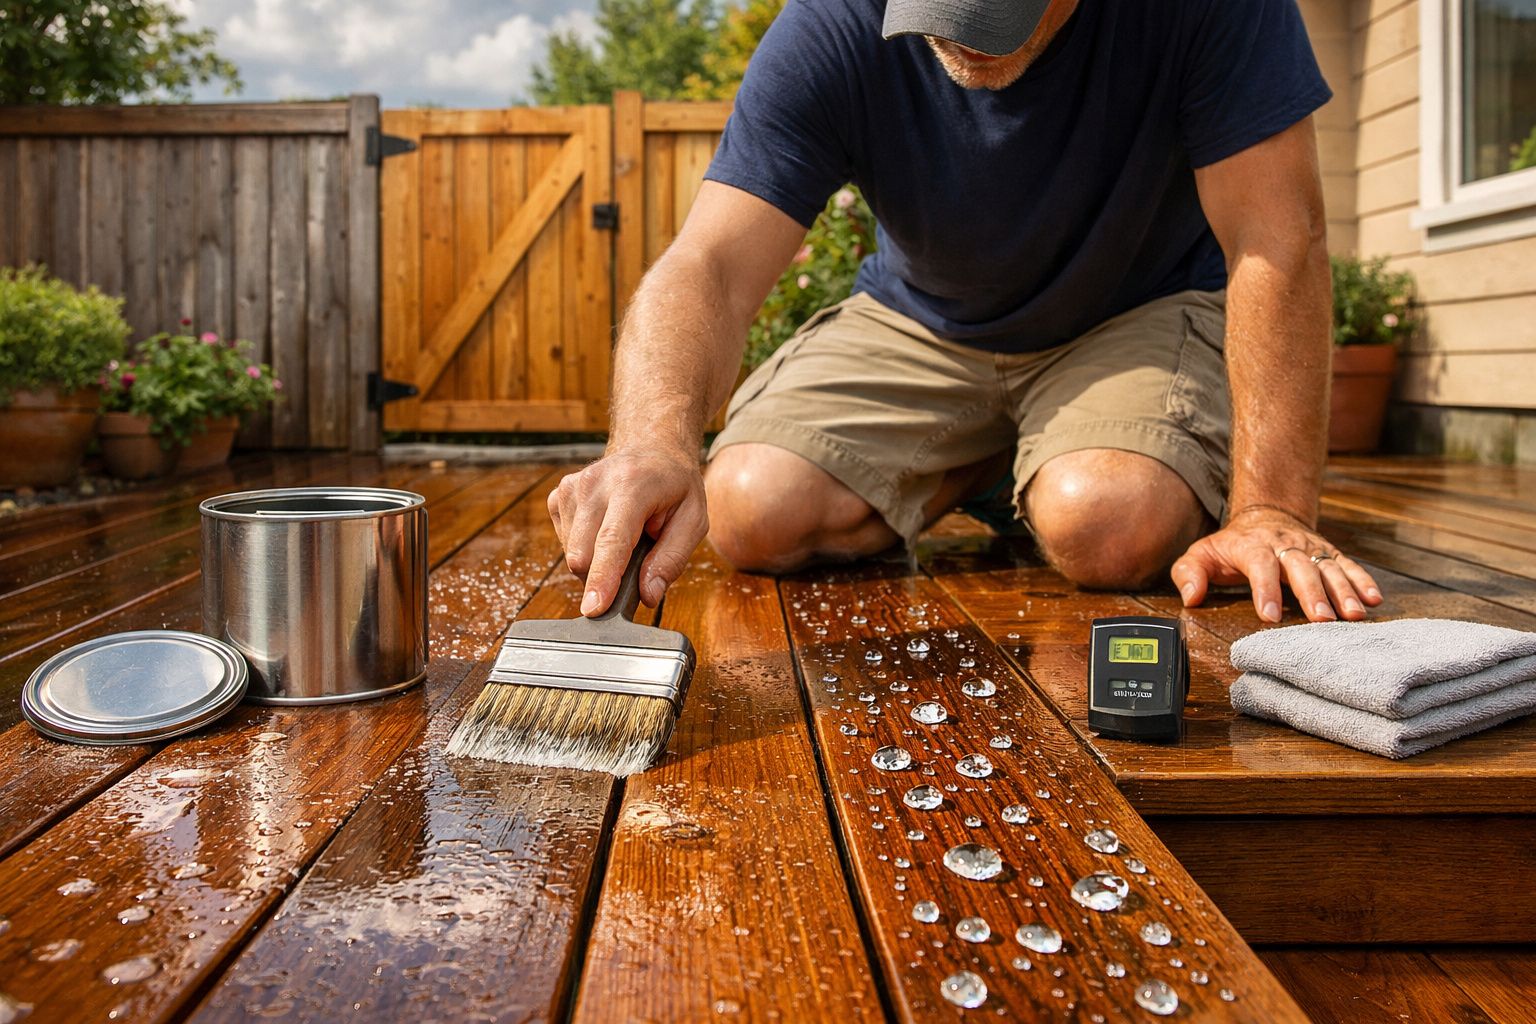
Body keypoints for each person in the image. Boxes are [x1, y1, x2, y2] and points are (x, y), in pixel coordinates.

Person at [549, 0, 1384, 625]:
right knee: (748, 509)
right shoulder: (835, 23)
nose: (971, 34)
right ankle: (993, 459)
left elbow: (1277, 238)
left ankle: (1053, 457)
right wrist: (651, 441)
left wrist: (1271, 509)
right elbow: (712, 263)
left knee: (1104, 522)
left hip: (1137, 309)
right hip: (923, 319)